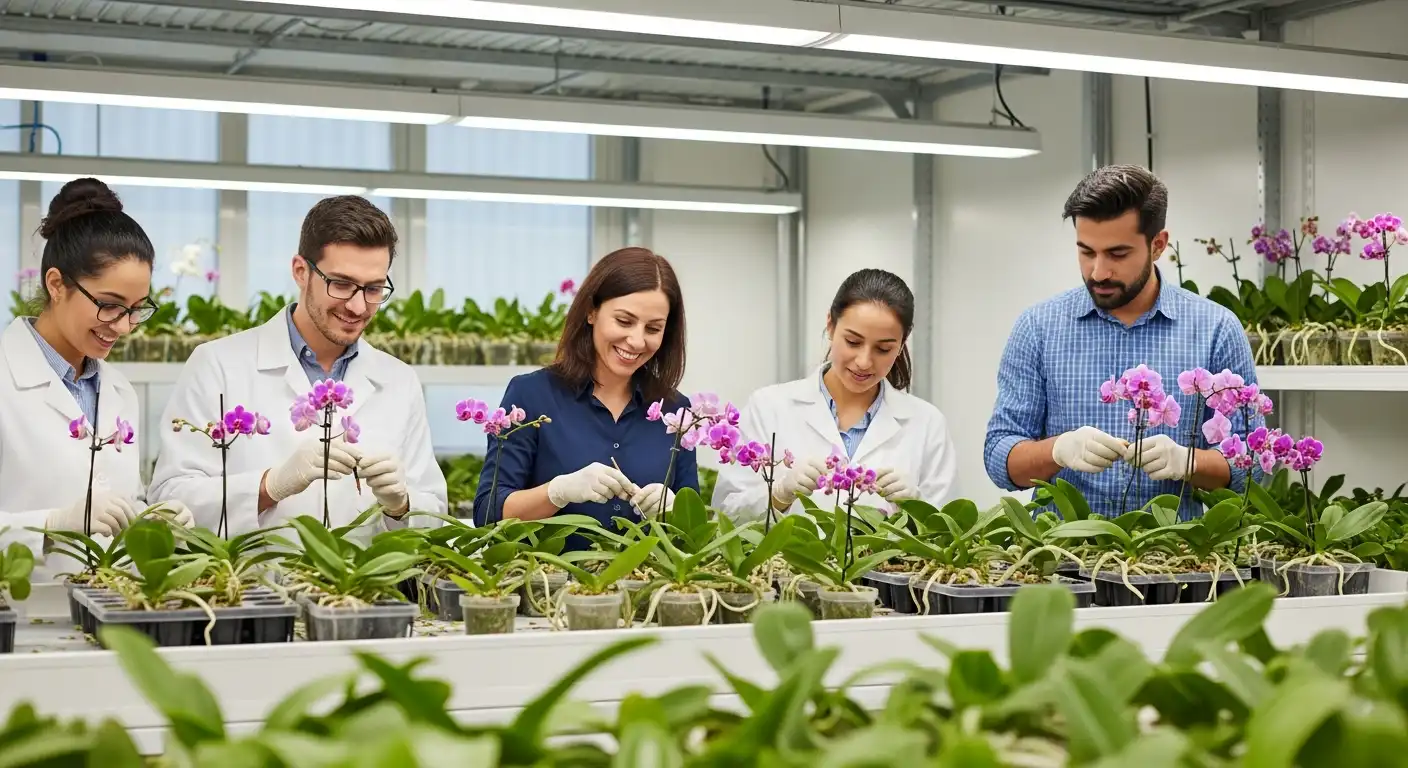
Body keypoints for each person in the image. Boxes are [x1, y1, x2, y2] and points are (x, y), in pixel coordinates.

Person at [148, 196, 446, 541]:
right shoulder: (217, 365)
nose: (357, 306)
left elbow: (435, 516)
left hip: (364, 577)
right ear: (301, 271)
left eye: (374, 288)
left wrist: (402, 506)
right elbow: (169, 502)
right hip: (253, 576)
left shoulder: (399, 381)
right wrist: (270, 486)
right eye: (341, 284)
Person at [983, 165, 1264, 520]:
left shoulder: (1216, 329)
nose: (1098, 272)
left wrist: (1189, 462)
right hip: (1060, 549)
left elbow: (1251, 467)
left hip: (1175, 549)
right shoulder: (1038, 328)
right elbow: (999, 456)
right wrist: (1057, 450)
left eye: (1117, 254)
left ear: (1158, 245)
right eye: (1086, 252)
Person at [0, 178, 193, 581]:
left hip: (109, 602)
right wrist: (50, 525)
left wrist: (150, 518)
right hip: (23, 607)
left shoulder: (119, 391)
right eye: (109, 305)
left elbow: (115, 504)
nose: (123, 326)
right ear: (57, 284)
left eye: (137, 309)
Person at [473, 247, 697, 550]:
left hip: (646, 578)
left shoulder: (675, 411)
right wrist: (556, 492)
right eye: (624, 321)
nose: (636, 341)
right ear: (592, 311)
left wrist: (675, 510)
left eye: (653, 328)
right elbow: (488, 514)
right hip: (546, 578)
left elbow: (693, 534)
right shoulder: (531, 395)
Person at [713, 268, 957, 522]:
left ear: (901, 344)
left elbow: (950, 531)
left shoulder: (927, 424)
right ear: (830, 325)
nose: (864, 362)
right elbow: (726, 516)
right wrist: (778, 496)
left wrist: (918, 507)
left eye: (883, 349)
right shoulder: (767, 408)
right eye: (853, 342)